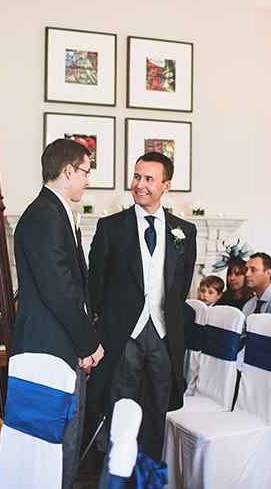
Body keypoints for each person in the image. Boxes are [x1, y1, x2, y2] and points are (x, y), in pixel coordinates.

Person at [87, 151, 197, 462]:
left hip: (163, 335)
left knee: (156, 413)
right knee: (120, 412)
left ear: (166, 185)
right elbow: (96, 283)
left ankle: (148, 475)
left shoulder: (185, 231)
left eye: (149, 179)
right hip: (123, 336)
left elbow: (181, 286)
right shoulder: (110, 227)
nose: (139, 184)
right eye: (137, 177)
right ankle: (117, 475)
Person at [11, 139, 104, 489]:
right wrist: (89, 343)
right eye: (86, 172)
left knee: (67, 441)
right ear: (68, 171)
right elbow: (61, 290)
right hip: (50, 346)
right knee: (55, 444)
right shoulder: (44, 216)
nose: (88, 180)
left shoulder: (55, 212)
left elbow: (75, 286)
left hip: (62, 342)